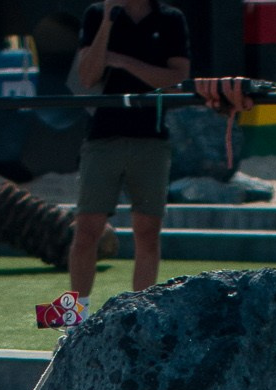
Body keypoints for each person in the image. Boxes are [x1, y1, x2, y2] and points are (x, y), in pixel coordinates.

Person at [66, 0, 192, 310]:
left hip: (151, 138)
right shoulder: (97, 14)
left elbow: (177, 81)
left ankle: (141, 313)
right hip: (103, 137)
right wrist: (108, 23)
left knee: (147, 232)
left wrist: (122, 61)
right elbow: (87, 76)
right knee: (86, 230)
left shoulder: (170, 19)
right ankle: (77, 316)